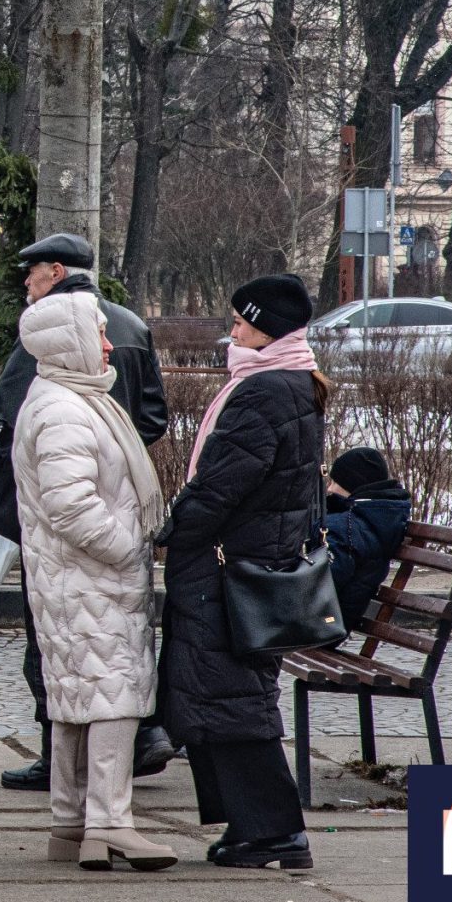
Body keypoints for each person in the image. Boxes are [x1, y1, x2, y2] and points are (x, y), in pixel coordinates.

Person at [0, 231, 173, 790]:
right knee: (121, 636)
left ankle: (64, 762)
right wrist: (116, 453)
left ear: (56, 273)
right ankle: (138, 734)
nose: (25, 282)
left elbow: (17, 422)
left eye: (32, 272)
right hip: (121, 500)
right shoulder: (131, 325)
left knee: (56, 634)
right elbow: (153, 417)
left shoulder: (46, 333)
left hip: (72, 512)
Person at [159, 272, 327, 871]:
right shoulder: (291, 381)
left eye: (239, 322)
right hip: (250, 564)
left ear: (266, 328)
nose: (231, 332)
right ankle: (250, 826)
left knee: (234, 698)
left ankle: (274, 831)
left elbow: (223, 484)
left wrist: (174, 531)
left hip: (231, 569)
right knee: (224, 693)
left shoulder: (265, 390)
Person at [10, 290, 180, 871]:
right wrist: (128, 548)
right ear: (69, 342)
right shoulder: (65, 409)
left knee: (77, 697)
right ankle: (110, 822)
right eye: (98, 333)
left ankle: (72, 822)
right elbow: (72, 506)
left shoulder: (68, 398)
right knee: (113, 698)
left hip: (77, 580)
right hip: (91, 580)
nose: (109, 345)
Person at [320, 446, 410, 627]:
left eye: (334, 482)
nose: (329, 488)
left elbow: (321, 584)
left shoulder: (348, 528)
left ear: (350, 485)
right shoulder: (372, 520)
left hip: (321, 625)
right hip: (331, 620)